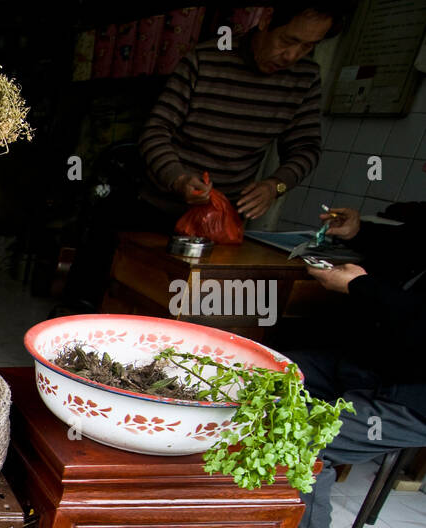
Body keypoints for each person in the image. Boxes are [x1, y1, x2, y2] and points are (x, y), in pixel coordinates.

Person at [61, 2, 350, 311]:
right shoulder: (207, 59)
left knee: (191, 310)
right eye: (288, 41)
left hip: (223, 224)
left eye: (309, 46)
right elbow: (156, 130)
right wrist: (178, 178)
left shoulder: (305, 77)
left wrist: (275, 186)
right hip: (155, 210)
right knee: (123, 295)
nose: (293, 55)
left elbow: (305, 147)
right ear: (266, 19)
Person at [272, 203, 426, 528]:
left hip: (412, 398)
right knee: (271, 372)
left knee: (304, 434)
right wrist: (359, 233)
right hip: (373, 365)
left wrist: (362, 287)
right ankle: (250, 505)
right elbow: (412, 241)